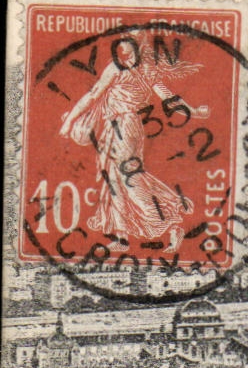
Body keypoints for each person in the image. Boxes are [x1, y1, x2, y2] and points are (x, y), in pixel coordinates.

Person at [58, 36, 208, 254]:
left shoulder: (117, 68)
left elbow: (93, 96)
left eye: (126, 40)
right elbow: (169, 98)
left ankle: (171, 223)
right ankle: (122, 237)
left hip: (122, 126)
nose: (120, 44)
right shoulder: (147, 71)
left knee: (128, 177)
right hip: (126, 126)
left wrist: (69, 122)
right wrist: (193, 111)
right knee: (114, 179)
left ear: (135, 46)